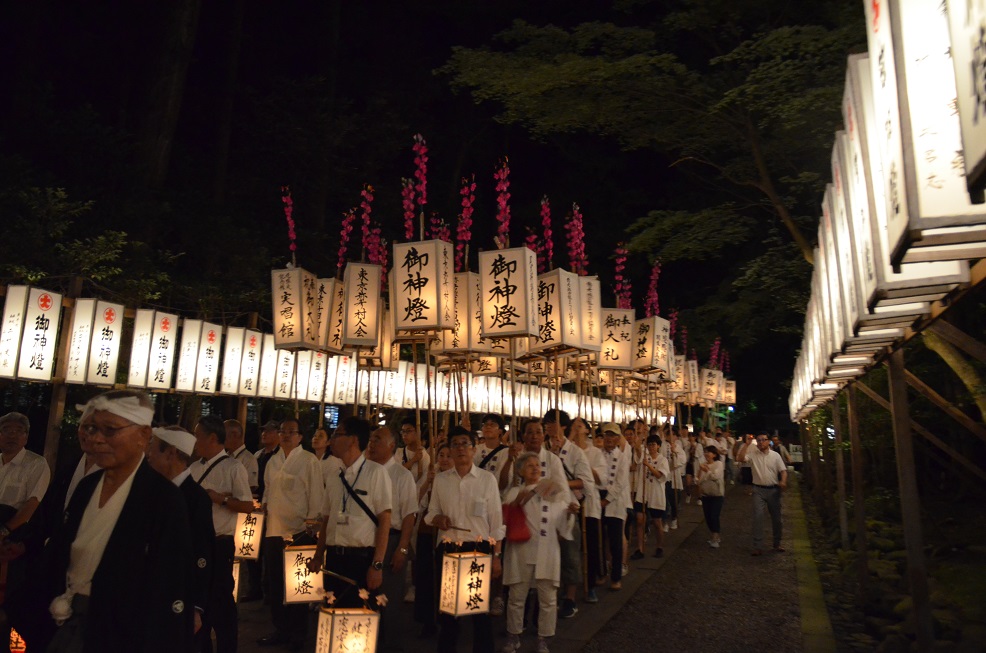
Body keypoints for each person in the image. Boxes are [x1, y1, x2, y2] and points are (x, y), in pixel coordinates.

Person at [33, 390, 194, 652]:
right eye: (93, 428)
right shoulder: (87, 487)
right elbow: (57, 559)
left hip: (124, 631)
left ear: (143, 435)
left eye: (110, 430)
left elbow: (167, 586)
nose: (96, 438)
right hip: (68, 619)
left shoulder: (164, 500)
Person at [425, 428, 504, 653]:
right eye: (455, 444)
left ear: (474, 448)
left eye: (465, 444)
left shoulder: (486, 479)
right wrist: (438, 518)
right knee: (449, 612)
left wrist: (496, 556)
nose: (460, 448)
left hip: (477, 549)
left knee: (478, 612)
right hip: (449, 549)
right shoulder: (441, 480)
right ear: (449, 449)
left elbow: (497, 523)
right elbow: (430, 514)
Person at [310, 417, 392, 609]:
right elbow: (327, 519)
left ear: (353, 440)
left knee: (358, 621)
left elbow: (385, 520)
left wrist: (377, 565)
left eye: (337, 434)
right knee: (333, 613)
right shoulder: (335, 476)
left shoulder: (375, 473)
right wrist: (318, 554)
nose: (332, 439)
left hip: (361, 560)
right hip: (334, 560)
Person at [190, 415, 255, 653]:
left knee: (221, 604)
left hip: (220, 543)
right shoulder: (194, 467)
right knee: (199, 602)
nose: (195, 442)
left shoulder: (233, 467)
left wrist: (221, 498)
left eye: (198, 436)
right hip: (197, 544)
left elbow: (248, 506)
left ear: (212, 438)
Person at [258, 418, 324, 651]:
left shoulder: (308, 461)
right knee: (275, 583)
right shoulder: (272, 461)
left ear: (300, 436)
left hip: (298, 531)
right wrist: (264, 506)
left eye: (291, 432)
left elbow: (316, 495)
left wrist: (312, 526)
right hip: (274, 529)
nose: (285, 435)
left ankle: (298, 633)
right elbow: (267, 490)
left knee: (298, 586)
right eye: (282, 431)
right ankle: (281, 628)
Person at [501, 453, 576, 653]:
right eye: (529, 466)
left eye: (537, 465)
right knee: (517, 596)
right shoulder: (514, 492)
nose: (535, 468)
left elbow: (561, 523)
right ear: (520, 471)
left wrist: (568, 513)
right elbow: (507, 513)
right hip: (522, 550)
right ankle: (513, 635)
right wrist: (524, 496)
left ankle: (544, 637)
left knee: (548, 597)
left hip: (548, 549)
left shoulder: (552, 490)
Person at [146, 426, 216, 637]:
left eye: (153, 450)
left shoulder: (195, 497)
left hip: (180, 594)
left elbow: (201, 553)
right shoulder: (154, 490)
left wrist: (196, 605)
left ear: (171, 453)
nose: (148, 456)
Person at [0, 411, 51, 647]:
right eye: (6, 430)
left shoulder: (36, 463)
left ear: (26, 437)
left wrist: (6, 531)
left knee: (12, 601)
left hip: (16, 537)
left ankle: (14, 647)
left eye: (17, 431)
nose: (11, 435)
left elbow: (32, 504)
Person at [366, 426, 417, 652]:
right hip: (366, 541)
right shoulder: (363, 471)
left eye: (378, 439)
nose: (372, 443)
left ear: (391, 446)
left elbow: (409, 515)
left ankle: (391, 644)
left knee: (389, 599)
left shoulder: (401, 475)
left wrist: (402, 549)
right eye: (370, 439)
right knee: (366, 596)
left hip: (392, 541)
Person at [544, 409, 593, 619]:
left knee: (569, 554)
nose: (547, 427)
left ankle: (570, 598)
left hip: (567, 508)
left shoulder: (575, 452)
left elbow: (585, 481)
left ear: (564, 426)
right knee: (547, 554)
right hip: (544, 507)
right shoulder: (541, 449)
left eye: (551, 423)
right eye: (546, 423)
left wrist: (559, 483)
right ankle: (550, 595)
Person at [413, 442, 452, 638]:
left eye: (448, 455)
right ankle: (427, 619)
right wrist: (428, 482)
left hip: (447, 532)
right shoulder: (431, 473)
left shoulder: (454, 478)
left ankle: (445, 618)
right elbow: (415, 501)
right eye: (441, 455)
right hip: (427, 531)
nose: (444, 459)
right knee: (426, 576)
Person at [569, 417, 604, 602]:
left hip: (589, 505)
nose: (576, 429)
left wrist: (584, 464)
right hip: (569, 506)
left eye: (580, 426)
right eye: (573, 426)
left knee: (590, 548)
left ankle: (590, 585)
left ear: (588, 431)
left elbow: (601, 480)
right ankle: (569, 590)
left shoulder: (596, 453)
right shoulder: (566, 451)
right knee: (571, 549)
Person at [737, 432, 788, 555]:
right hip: (758, 489)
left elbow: (783, 471)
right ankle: (757, 546)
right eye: (758, 440)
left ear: (768, 441)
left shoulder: (775, 456)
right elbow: (740, 458)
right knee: (758, 517)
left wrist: (783, 481)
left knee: (776, 518)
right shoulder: (753, 454)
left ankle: (777, 543)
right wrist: (746, 444)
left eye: (763, 440)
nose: (760, 442)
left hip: (773, 490)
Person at [599, 423, 630, 590]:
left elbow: (620, 483)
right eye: (606, 435)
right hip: (598, 499)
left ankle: (616, 576)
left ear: (618, 439)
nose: (609, 439)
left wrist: (607, 500)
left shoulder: (623, 457)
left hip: (615, 503)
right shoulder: (597, 454)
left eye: (612, 436)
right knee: (599, 540)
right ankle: (601, 572)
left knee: (615, 541)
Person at [632, 435, 669, 558]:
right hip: (643, 493)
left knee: (657, 522)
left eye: (654, 444)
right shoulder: (644, 456)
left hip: (655, 494)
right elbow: (637, 449)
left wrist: (648, 465)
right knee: (639, 520)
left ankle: (659, 546)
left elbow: (660, 475)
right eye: (649, 444)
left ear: (658, 446)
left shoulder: (663, 460)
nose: (651, 447)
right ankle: (640, 549)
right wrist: (641, 435)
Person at [697, 445, 725, 548]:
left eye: (708, 452)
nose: (706, 454)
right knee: (708, 517)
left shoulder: (719, 464)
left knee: (714, 515)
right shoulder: (702, 465)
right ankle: (714, 534)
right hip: (706, 494)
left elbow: (715, 476)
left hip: (717, 495)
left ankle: (715, 536)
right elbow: (699, 480)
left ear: (714, 454)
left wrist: (707, 471)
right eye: (705, 452)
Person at [224, 419, 259, 496]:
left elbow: (251, 487)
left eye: (223, 434)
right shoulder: (225, 456)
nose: (220, 438)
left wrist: (224, 495)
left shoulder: (249, 459)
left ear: (235, 435)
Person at [397, 419, 430, 487]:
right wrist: (413, 460)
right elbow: (395, 473)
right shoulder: (399, 452)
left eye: (408, 431)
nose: (405, 435)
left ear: (418, 432)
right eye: (403, 431)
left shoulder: (425, 456)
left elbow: (423, 483)